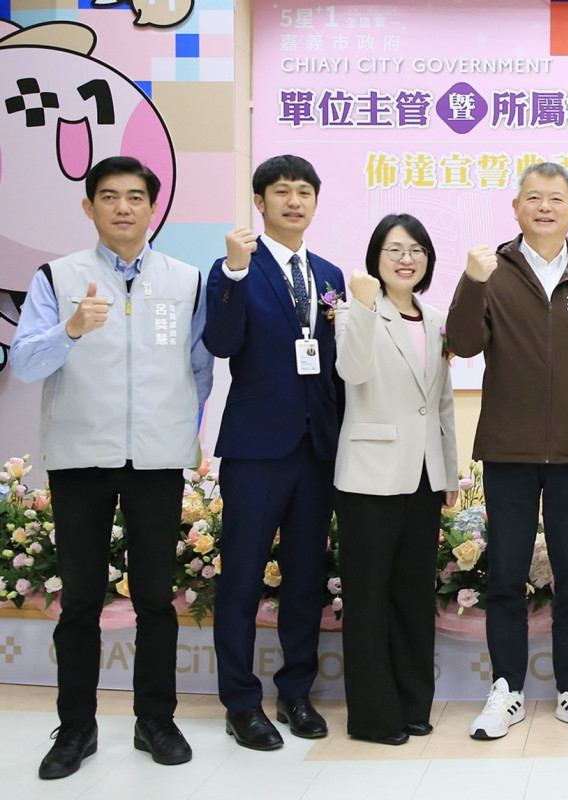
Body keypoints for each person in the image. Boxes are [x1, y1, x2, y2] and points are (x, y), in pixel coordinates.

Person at [11, 156, 213, 779]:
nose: (122, 207)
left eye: (134, 196)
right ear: (89, 207)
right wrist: (70, 330)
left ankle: (156, 720)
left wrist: (180, 429)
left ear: (153, 206)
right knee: (79, 601)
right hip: (82, 458)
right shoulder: (57, 276)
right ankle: (76, 728)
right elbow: (25, 363)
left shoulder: (186, 279)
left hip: (156, 459)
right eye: (108, 196)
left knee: (155, 598)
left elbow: (199, 369)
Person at [446, 161, 568, 740]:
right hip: (509, 448)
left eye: (555, 198)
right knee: (505, 573)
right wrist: (471, 281)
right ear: (516, 208)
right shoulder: (492, 270)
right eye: (533, 198)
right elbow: (463, 344)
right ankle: (507, 689)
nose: (544, 207)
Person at [204, 154, 345, 751]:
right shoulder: (236, 267)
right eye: (281, 192)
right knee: (241, 577)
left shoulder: (331, 274)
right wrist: (233, 276)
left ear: (315, 202)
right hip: (257, 448)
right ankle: (241, 703)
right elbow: (220, 342)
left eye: (304, 191)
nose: (294, 201)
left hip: (316, 449)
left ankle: (295, 693)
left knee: (306, 578)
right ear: (260, 203)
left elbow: (337, 363)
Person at [333, 214, 458, 746]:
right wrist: (363, 306)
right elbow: (353, 371)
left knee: (413, 595)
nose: (406, 259)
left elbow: (441, 402)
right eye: (394, 250)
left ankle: (412, 704)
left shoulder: (435, 319)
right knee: (368, 598)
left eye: (416, 250)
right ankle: (373, 717)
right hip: (370, 475)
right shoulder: (354, 311)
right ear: (375, 259)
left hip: (424, 476)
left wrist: (448, 470)